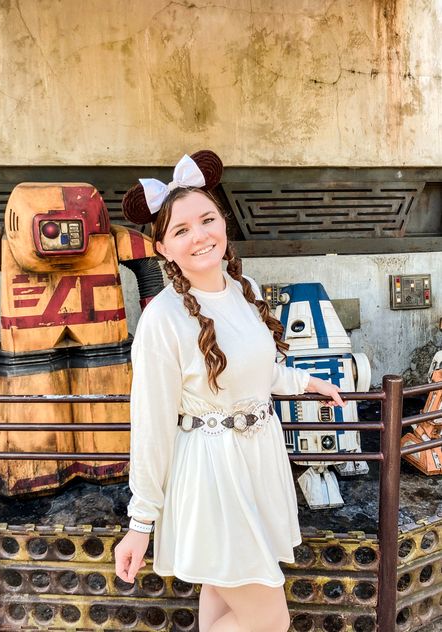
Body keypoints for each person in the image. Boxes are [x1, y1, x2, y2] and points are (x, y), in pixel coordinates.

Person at [114, 151, 345, 632]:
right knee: (269, 622)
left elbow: (258, 371)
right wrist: (140, 523)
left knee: (222, 605)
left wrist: (306, 382)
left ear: (223, 221)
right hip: (213, 477)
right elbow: (152, 425)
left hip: (258, 461)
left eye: (207, 219)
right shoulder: (164, 318)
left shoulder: (247, 289)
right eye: (180, 230)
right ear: (163, 248)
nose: (199, 235)